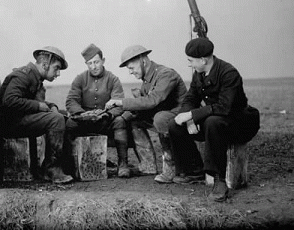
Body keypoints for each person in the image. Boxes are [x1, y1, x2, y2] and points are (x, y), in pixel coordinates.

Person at [169, 37, 260, 202]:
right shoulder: (199, 74)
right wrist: (187, 118)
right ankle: (193, 170)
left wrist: (192, 115)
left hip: (240, 122)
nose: (189, 64)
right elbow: (190, 99)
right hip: (217, 121)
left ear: (203, 59)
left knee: (212, 122)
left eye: (191, 60)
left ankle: (220, 181)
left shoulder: (228, 73)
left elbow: (224, 107)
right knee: (175, 125)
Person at [105, 45, 187, 183]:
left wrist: (121, 102)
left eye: (131, 68)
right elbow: (142, 106)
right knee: (132, 119)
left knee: (160, 118)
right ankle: (148, 166)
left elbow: (152, 100)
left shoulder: (165, 74)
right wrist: (120, 118)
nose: (130, 72)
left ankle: (171, 166)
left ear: (143, 61)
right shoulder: (147, 80)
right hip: (162, 115)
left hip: (180, 117)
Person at [0, 46, 73, 184]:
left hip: (20, 120)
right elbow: (9, 101)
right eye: (56, 68)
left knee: (61, 116)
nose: (58, 73)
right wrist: (38, 106)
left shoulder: (35, 77)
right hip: (9, 123)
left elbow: (34, 101)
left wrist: (51, 106)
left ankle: (63, 165)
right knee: (56, 120)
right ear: (45, 65)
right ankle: (51, 170)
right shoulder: (23, 75)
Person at [65, 44, 129, 177]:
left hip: (105, 122)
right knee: (70, 123)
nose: (93, 67)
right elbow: (71, 101)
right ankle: (69, 165)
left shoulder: (113, 79)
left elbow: (119, 104)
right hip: (84, 121)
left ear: (103, 61)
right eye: (90, 63)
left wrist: (106, 115)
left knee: (120, 122)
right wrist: (82, 114)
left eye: (96, 62)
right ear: (86, 64)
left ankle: (123, 164)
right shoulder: (80, 79)